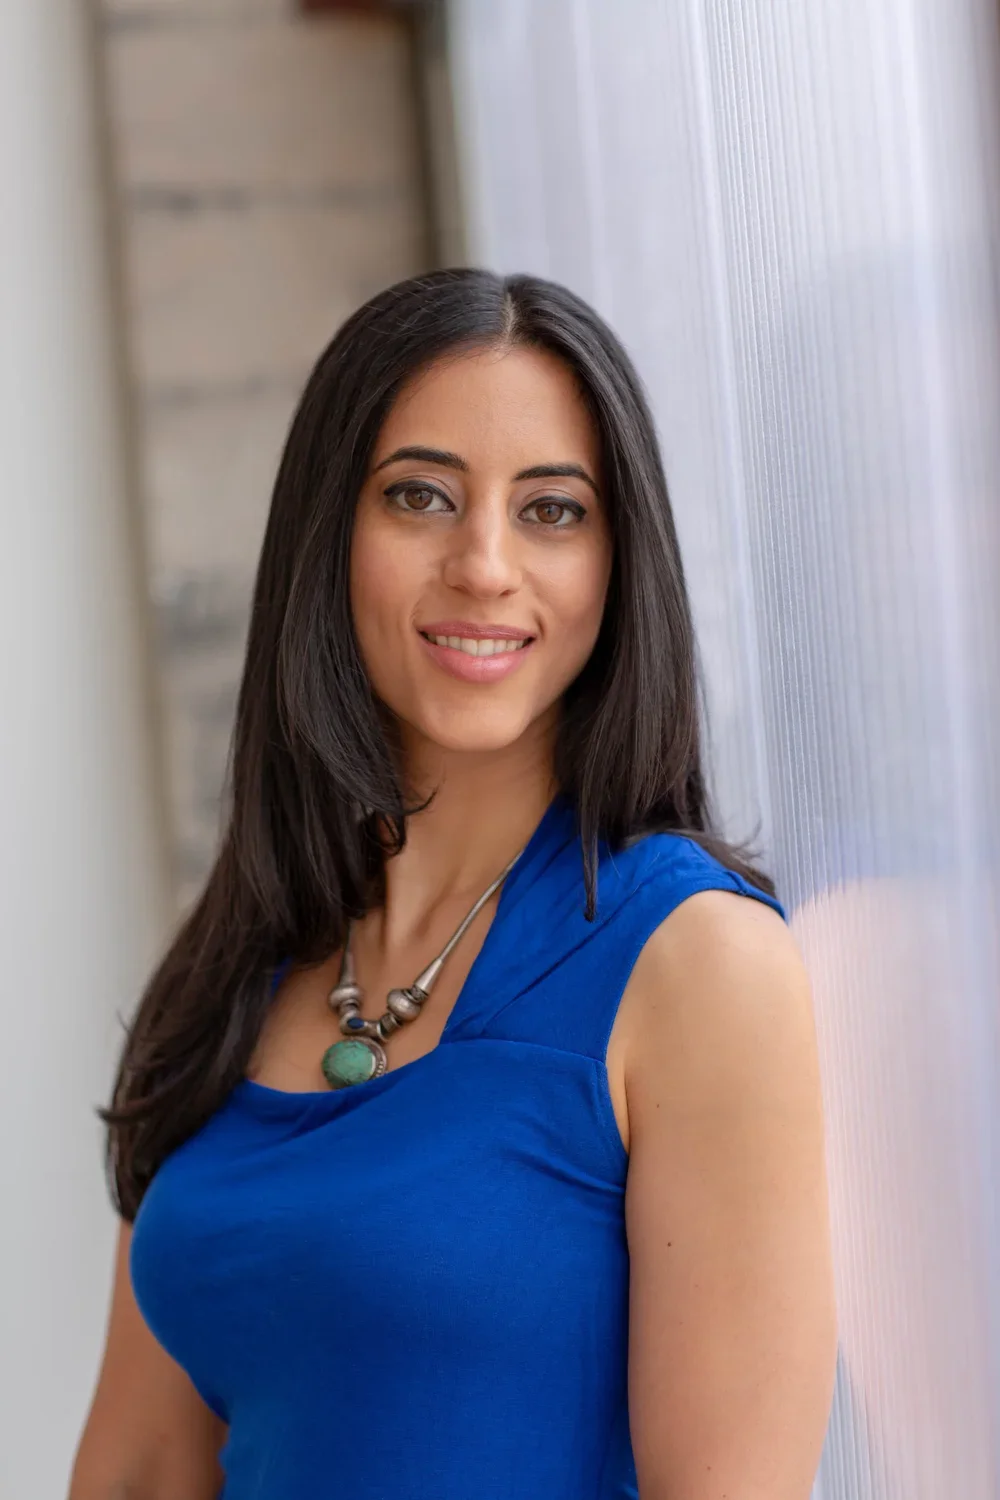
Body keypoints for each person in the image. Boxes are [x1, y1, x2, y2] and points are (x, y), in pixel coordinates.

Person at [69, 269, 836, 1499]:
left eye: (551, 511)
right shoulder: (236, 963)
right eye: (420, 496)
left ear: (615, 562)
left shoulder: (695, 964)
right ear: (331, 532)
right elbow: (140, 1472)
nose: (484, 565)